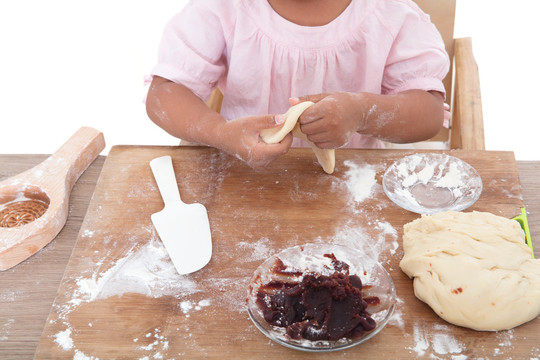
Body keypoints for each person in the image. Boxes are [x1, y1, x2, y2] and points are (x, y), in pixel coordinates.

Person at [146, 0, 450, 169]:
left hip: (351, 178)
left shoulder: (389, 13)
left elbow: (429, 113)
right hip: (245, 175)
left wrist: (362, 113)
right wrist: (219, 132)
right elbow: (166, 93)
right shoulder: (224, 8)